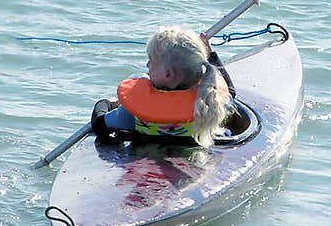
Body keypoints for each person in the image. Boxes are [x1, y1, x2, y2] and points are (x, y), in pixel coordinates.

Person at [92, 25, 235, 148]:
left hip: (147, 161)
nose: (147, 65)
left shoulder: (134, 112)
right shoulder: (209, 105)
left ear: (168, 74)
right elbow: (230, 93)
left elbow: (99, 125)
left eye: (151, 61)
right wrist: (211, 57)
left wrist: (106, 103)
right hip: (195, 163)